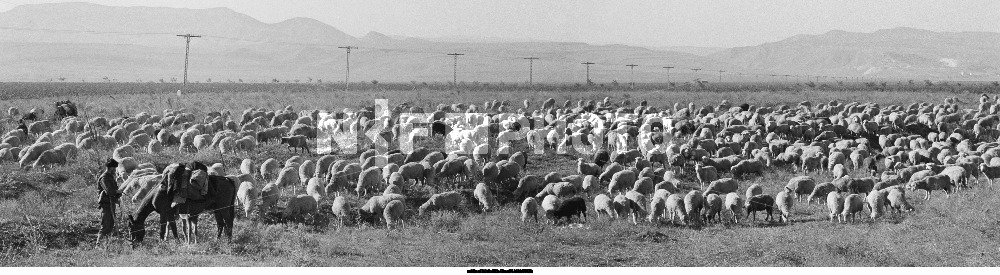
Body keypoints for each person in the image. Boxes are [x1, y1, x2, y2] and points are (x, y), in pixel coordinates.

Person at [96, 158, 120, 244]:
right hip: (105, 205)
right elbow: (109, 191)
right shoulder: (104, 178)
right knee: (105, 226)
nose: (115, 170)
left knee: (110, 226)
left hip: (111, 204)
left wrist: (118, 194)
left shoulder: (111, 177)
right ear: (111, 168)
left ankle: (106, 246)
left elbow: (114, 191)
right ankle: (99, 246)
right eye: (114, 168)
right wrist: (117, 192)